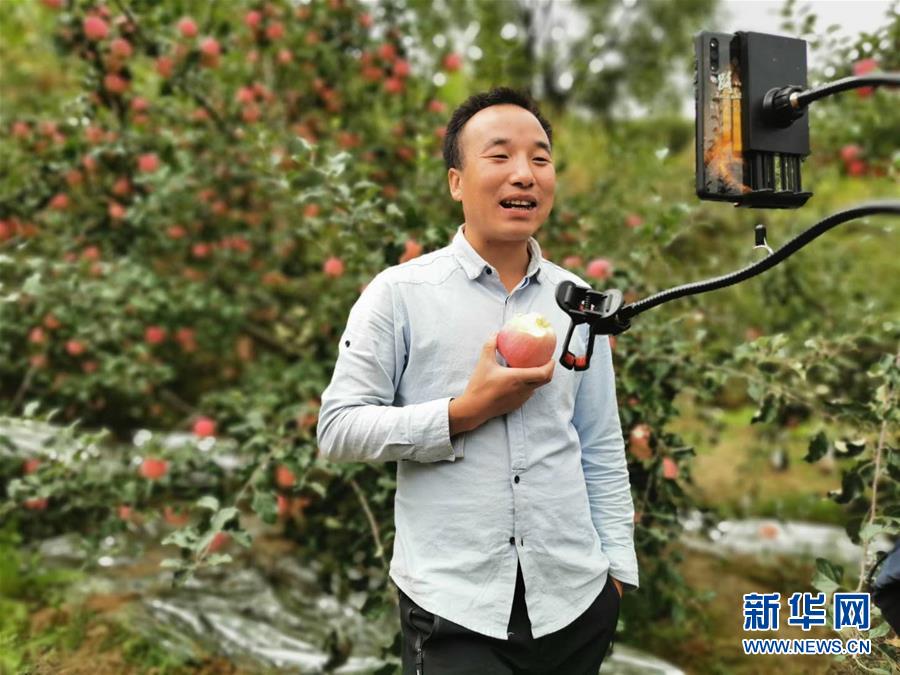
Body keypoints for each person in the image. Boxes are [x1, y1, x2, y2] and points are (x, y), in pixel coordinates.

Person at [317, 86, 638, 674]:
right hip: (456, 608)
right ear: (456, 182)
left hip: (573, 602)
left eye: (540, 158)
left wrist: (615, 573)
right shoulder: (401, 294)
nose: (524, 174)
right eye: (500, 156)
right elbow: (338, 428)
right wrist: (464, 411)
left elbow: (599, 443)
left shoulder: (577, 305)